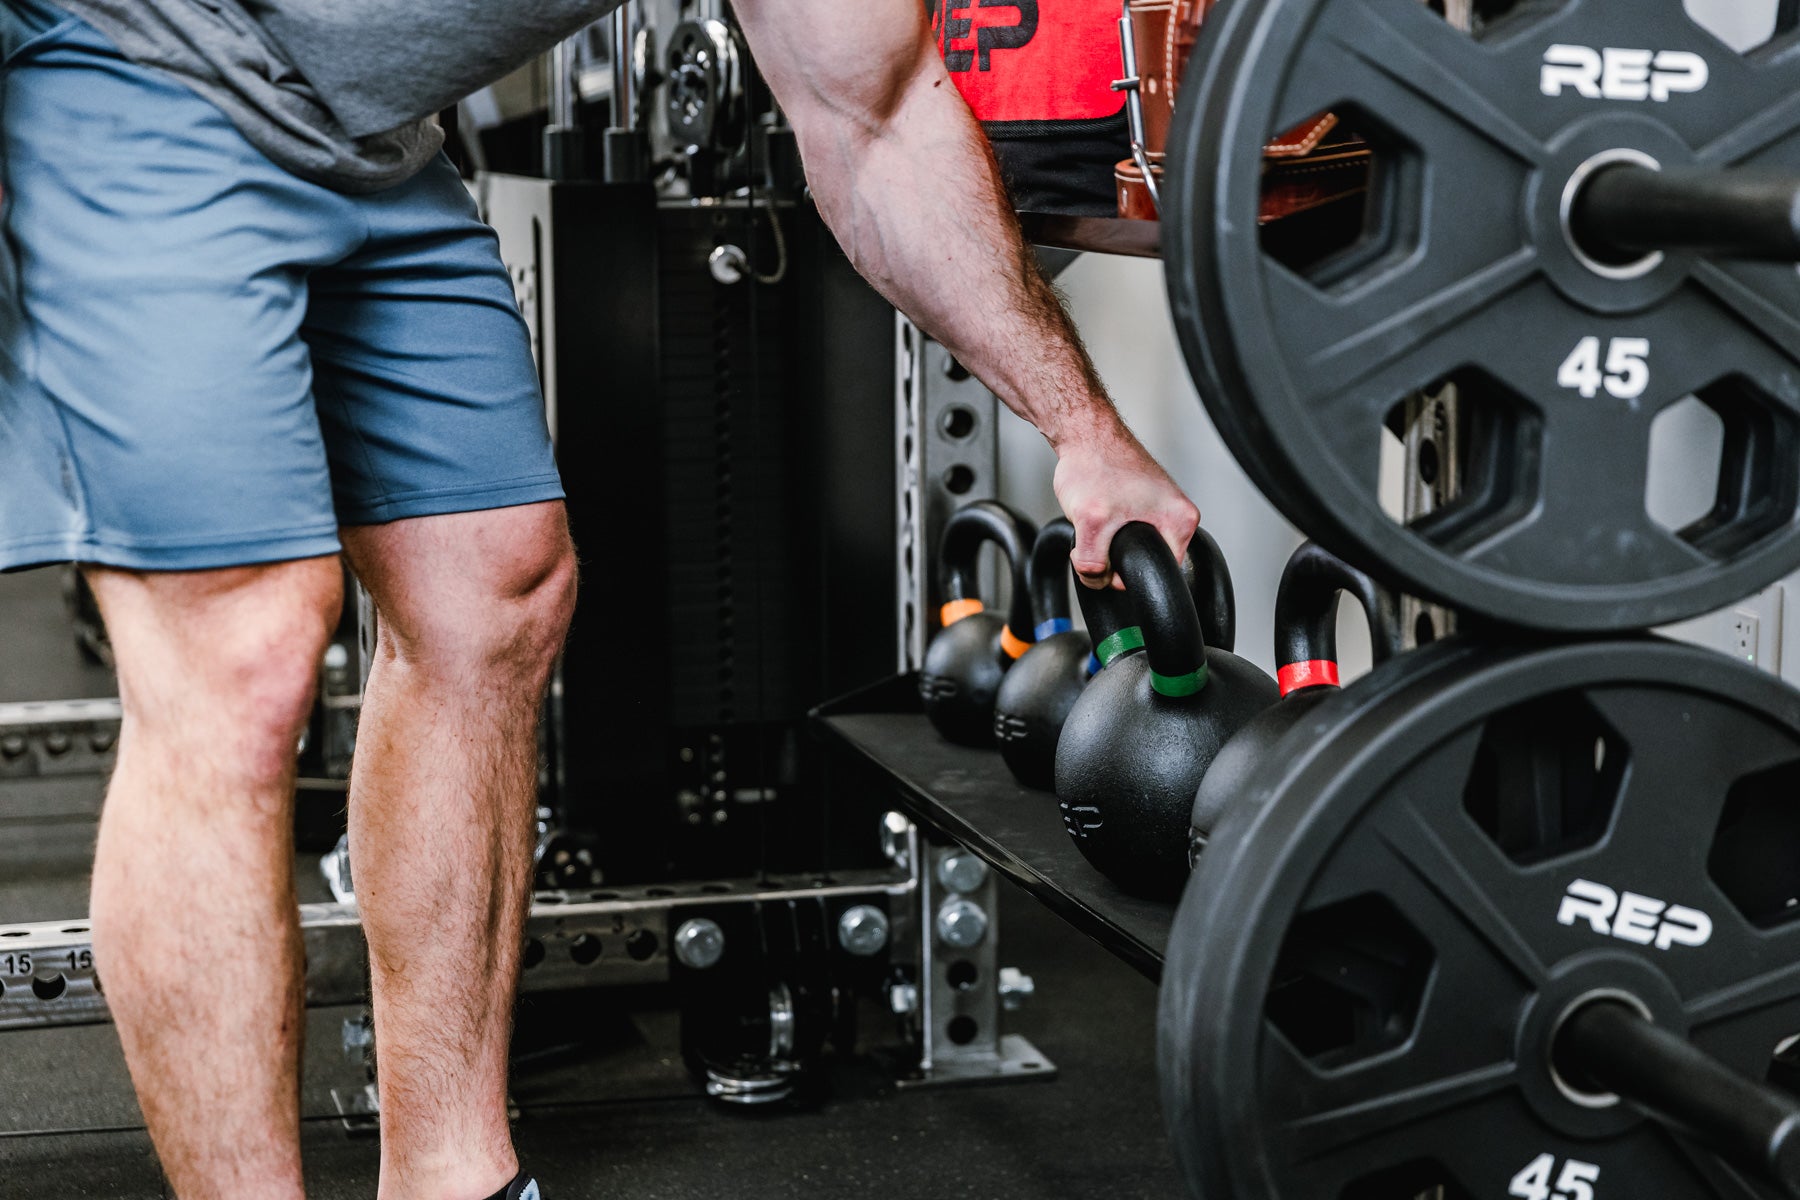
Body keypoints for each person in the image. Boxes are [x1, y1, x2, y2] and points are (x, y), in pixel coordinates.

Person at [0, 1, 1200, 1197]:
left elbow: (876, 119)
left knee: (495, 585)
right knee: (246, 645)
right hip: (136, 63)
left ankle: (457, 1180)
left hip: (370, 141)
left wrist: (1085, 435)